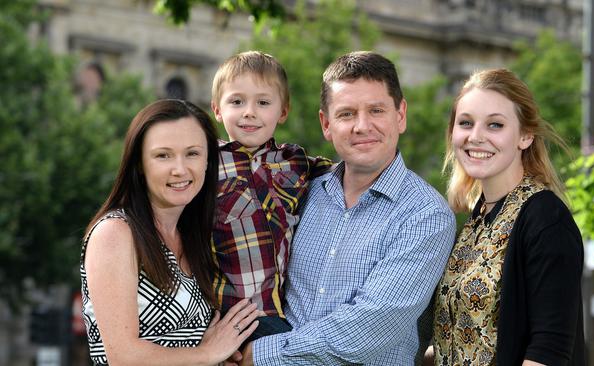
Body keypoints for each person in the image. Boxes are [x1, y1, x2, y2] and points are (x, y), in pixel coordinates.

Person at [239, 51, 456, 365]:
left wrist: (258, 355)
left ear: (401, 115)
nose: (362, 126)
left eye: (376, 110)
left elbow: (368, 328)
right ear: (326, 124)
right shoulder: (301, 193)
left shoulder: (425, 215)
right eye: (346, 114)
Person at [81, 99, 260, 365]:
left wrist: (219, 354)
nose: (180, 169)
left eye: (192, 153)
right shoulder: (116, 233)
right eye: (163, 155)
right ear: (140, 164)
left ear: (208, 161)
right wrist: (207, 353)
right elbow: (122, 356)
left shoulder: (194, 237)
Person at [426, 68, 585, 365]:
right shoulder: (477, 219)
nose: (476, 137)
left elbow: (548, 351)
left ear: (525, 135)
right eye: (465, 123)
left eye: (495, 125)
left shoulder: (546, 218)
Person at [209, 51, 332, 341]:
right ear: (217, 109)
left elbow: (349, 173)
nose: (249, 111)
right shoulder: (205, 162)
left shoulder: (296, 162)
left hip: (281, 311)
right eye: (236, 101)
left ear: (283, 111)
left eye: (263, 103)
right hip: (229, 313)